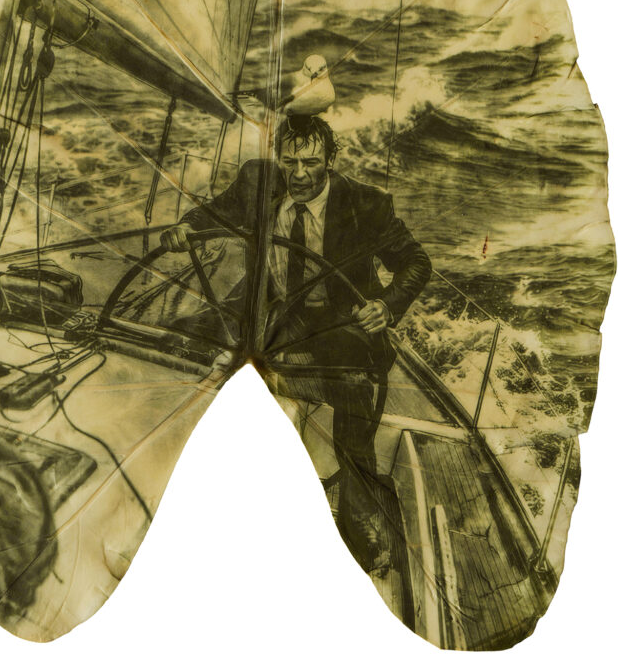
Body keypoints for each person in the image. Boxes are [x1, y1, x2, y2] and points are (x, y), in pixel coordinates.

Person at [161, 114, 431, 578]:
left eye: (311, 163)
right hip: (269, 306)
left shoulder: (366, 204)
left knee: (352, 389)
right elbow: (213, 214)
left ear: (330, 159)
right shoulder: (256, 181)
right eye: (289, 163)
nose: (299, 175)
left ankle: (359, 510)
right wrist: (186, 226)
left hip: (337, 322)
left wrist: (385, 307)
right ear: (278, 159)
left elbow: (416, 263)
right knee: (178, 340)